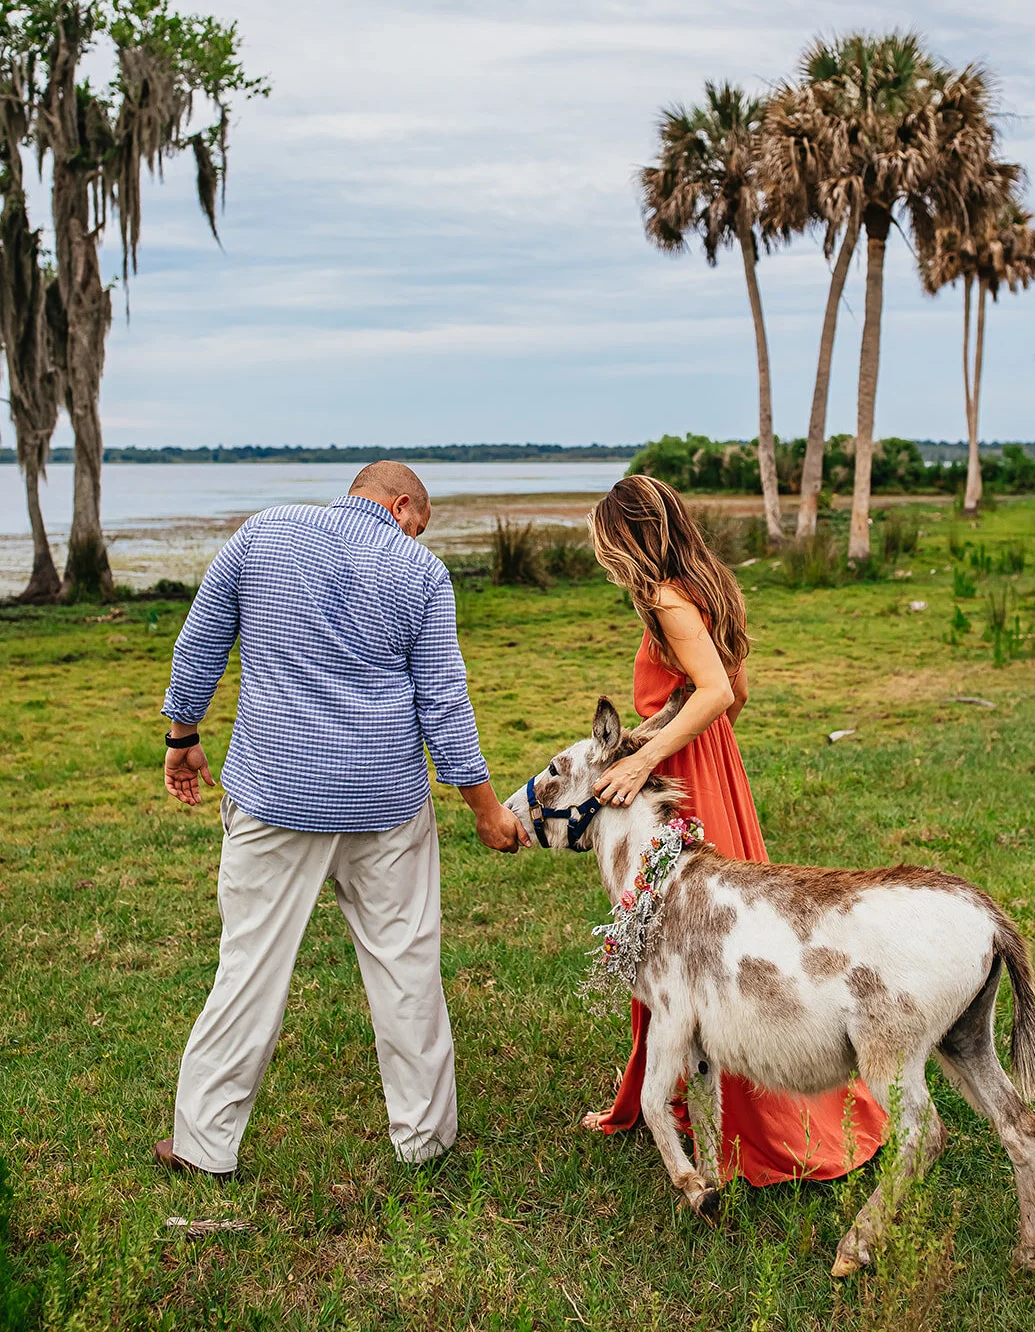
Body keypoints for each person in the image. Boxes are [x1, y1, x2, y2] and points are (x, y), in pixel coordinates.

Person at [155, 461, 529, 1178]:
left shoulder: (263, 532)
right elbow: (443, 701)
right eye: (418, 524)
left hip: (275, 795)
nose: (416, 538)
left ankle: (203, 1146)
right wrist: (484, 810)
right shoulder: (421, 572)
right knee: (406, 968)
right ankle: (425, 1140)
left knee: (248, 967)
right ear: (400, 504)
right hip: (386, 804)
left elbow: (200, 642)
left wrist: (183, 735)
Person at [583, 474, 886, 1184]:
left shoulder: (666, 598)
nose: (605, 561)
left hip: (684, 773)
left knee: (683, 941)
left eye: (607, 546)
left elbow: (717, 691)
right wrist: (693, 743)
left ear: (628, 539)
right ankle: (672, 1093)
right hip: (709, 763)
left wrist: (651, 756)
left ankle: (751, 1126)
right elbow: (735, 692)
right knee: (709, 936)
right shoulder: (709, 583)